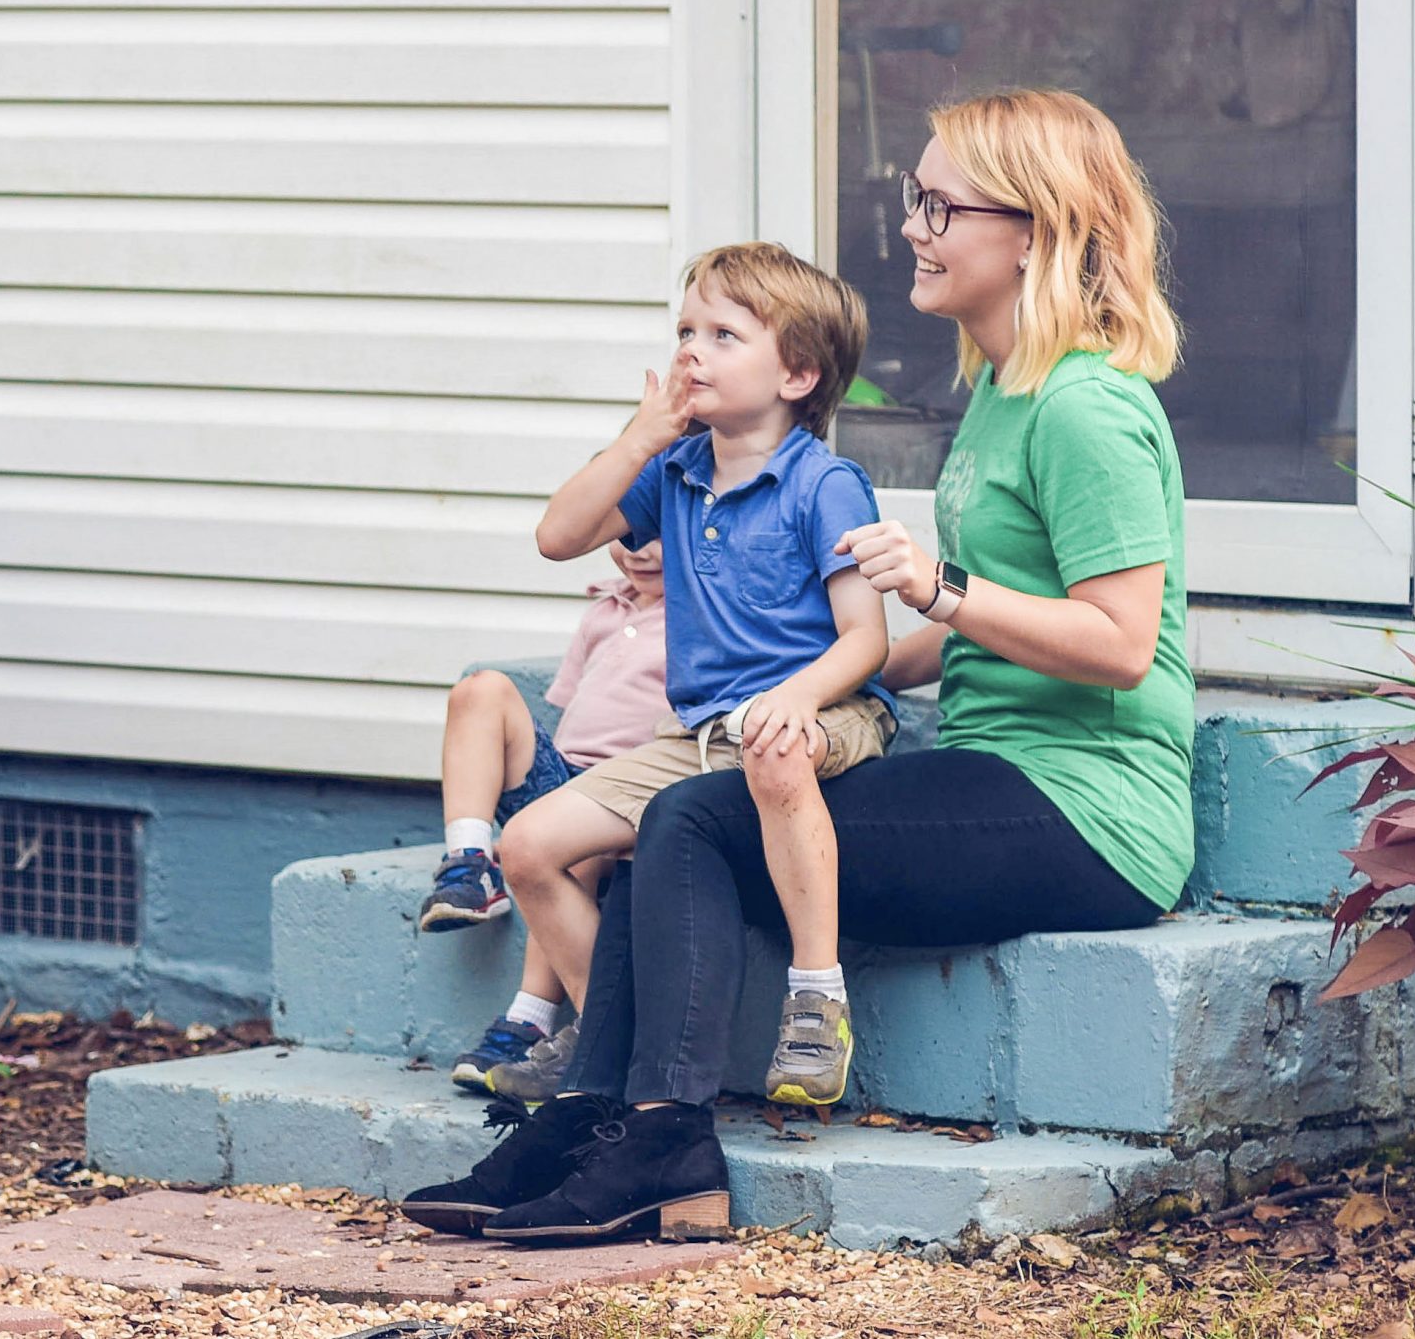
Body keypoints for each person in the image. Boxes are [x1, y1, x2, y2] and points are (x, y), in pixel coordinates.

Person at [401, 89, 1191, 1246]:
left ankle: (662, 1142)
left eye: (938, 203)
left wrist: (936, 587)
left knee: (693, 819)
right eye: (913, 198)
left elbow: (1120, 644)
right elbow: (964, 627)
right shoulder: (999, 397)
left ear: (1034, 228)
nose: (912, 225)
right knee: (665, 817)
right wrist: (844, 663)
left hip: (1090, 809)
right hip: (994, 766)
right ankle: (586, 1119)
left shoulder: (1084, 408)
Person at [481, 242, 894, 1126]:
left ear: (798, 373)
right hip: (697, 734)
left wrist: (799, 697)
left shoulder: (825, 485)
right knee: (528, 845)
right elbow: (559, 536)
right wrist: (642, 435)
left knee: (773, 746)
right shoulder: (674, 472)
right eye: (685, 331)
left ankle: (817, 997)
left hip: (827, 710)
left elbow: (867, 639)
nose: (690, 352)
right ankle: (605, 1036)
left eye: (724, 334)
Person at [418, 539, 667, 1095]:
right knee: (480, 690)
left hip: (632, 789)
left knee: (562, 840)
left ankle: (529, 1016)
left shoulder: (705, 616)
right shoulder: (604, 610)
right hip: (570, 772)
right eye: (627, 538)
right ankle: (470, 863)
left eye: (658, 535)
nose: (640, 552)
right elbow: (573, 711)